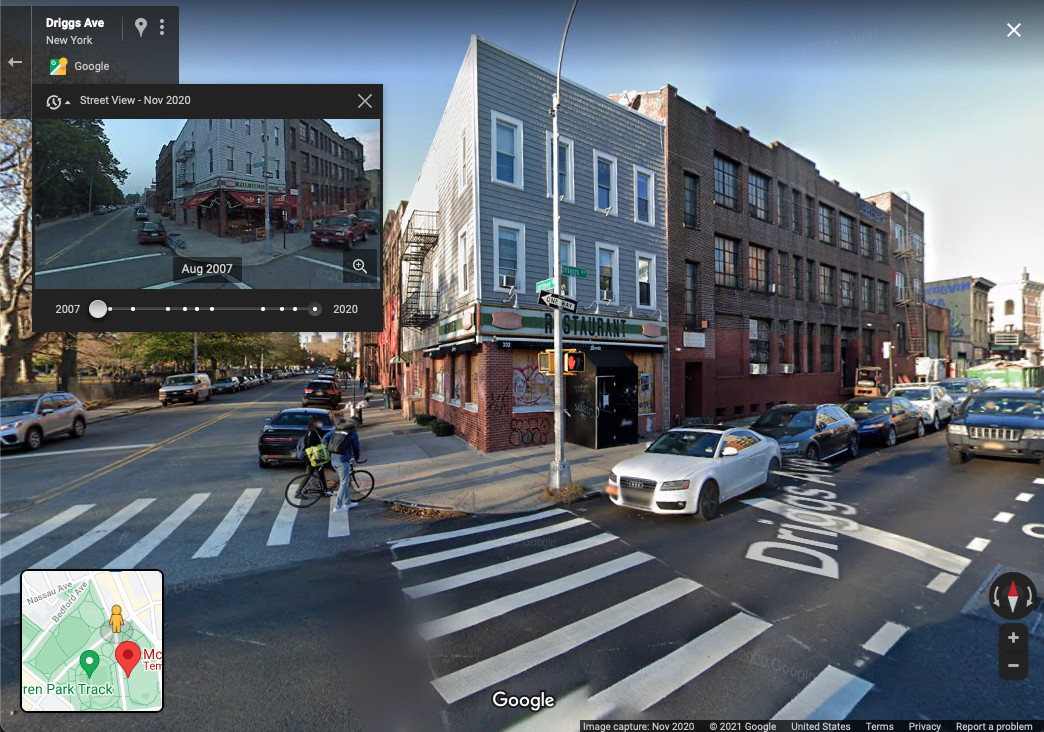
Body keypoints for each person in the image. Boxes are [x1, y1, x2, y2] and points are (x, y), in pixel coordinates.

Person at [326, 409, 364, 513]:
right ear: (355, 424)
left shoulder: (337, 428)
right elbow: (356, 447)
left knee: (344, 481)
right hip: (342, 460)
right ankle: (337, 506)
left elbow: (325, 437)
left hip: (333, 459)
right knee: (344, 482)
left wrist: (330, 449)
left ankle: (347, 502)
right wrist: (356, 458)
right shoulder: (353, 433)